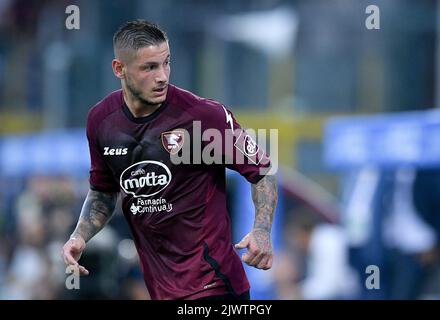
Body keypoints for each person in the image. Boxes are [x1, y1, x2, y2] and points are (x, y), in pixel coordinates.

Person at [61, 19, 278, 300]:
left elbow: (262, 171)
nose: (162, 76)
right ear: (119, 69)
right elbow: (103, 190)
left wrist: (261, 230)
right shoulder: (101, 121)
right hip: (161, 290)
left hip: (214, 285)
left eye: (166, 63)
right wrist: (80, 236)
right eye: (150, 67)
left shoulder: (202, 117)